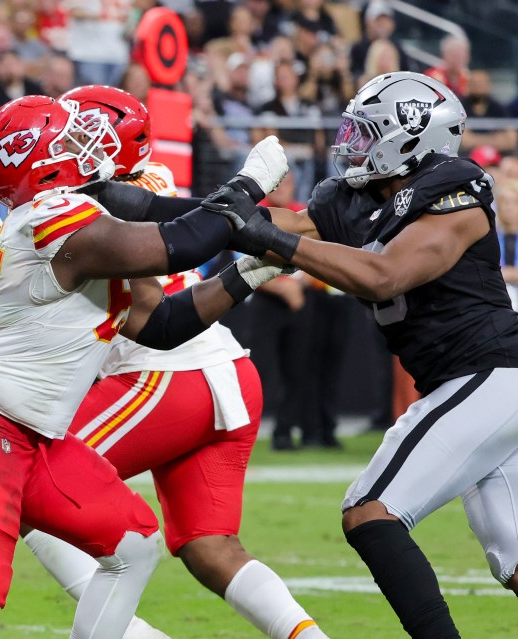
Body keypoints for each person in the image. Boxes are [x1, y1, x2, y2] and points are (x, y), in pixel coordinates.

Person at [0, 95, 289, 638]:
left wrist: (248, 274)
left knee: (135, 546)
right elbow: (180, 243)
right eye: (68, 137)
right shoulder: (56, 219)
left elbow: (163, 326)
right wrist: (248, 184)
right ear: (40, 158)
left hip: (32, 432)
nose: (85, 143)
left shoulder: (70, 214)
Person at [201, 71, 518, 638]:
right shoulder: (350, 197)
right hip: (474, 384)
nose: (352, 142)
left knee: (371, 511)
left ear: (415, 137)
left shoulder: (456, 189)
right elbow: (278, 224)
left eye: (367, 132)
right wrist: (204, 210)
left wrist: (269, 239)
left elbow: (384, 274)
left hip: (491, 374)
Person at [17, 84, 330, 639]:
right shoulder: (147, 184)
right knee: (211, 548)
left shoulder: (97, 200)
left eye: (76, 132)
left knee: (31, 484)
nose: (65, 143)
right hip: (224, 370)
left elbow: (147, 308)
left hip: (164, 375)